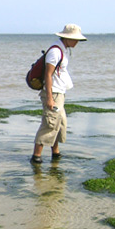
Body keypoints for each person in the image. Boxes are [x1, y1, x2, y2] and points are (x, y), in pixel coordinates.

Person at [30, 24, 87, 164]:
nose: (77, 42)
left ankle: (55, 153)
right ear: (66, 38)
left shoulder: (64, 49)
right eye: (75, 39)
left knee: (59, 123)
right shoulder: (55, 52)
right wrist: (49, 98)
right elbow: (48, 75)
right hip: (53, 93)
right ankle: (36, 157)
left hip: (59, 92)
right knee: (49, 124)